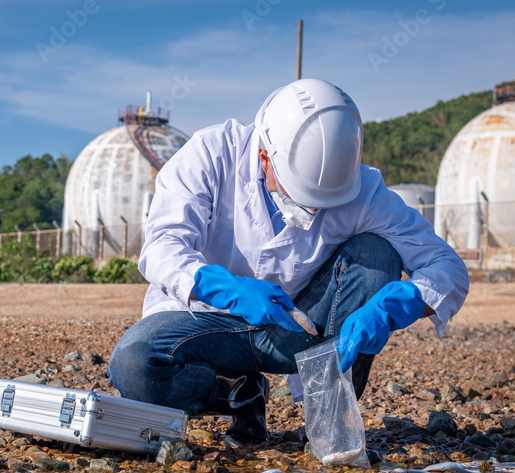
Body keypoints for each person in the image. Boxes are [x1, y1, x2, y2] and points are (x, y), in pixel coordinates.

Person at [108, 78, 469, 447]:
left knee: (378, 255)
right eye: (302, 196)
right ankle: (240, 394)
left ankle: (332, 428)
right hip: (202, 323)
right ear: (264, 156)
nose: (312, 210)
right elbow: (161, 245)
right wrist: (224, 288)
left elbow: (448, 267)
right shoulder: (212, 154)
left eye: (322, 202)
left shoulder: (362, 190)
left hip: (297, 328)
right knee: (135, 364)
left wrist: (399, 304)